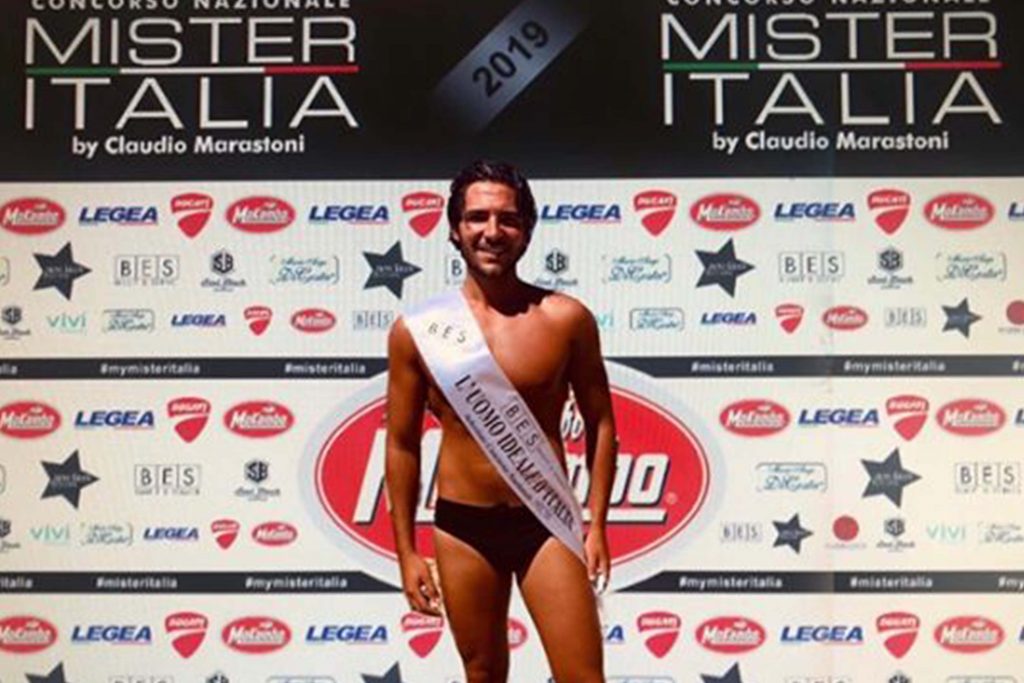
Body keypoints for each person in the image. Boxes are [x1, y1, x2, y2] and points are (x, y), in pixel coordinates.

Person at [385, 160, 617, 683]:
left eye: (508, 219)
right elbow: (401, 444)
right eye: (477, 217)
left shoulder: (566, 319)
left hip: (544, 522)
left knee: (583, 677)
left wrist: (598, 524)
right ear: (454, 229)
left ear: (527, 230)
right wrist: (406, 552)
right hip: (462, 527)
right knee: (483, 673)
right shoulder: (417, 331)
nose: (492, 232)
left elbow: (602, 423)